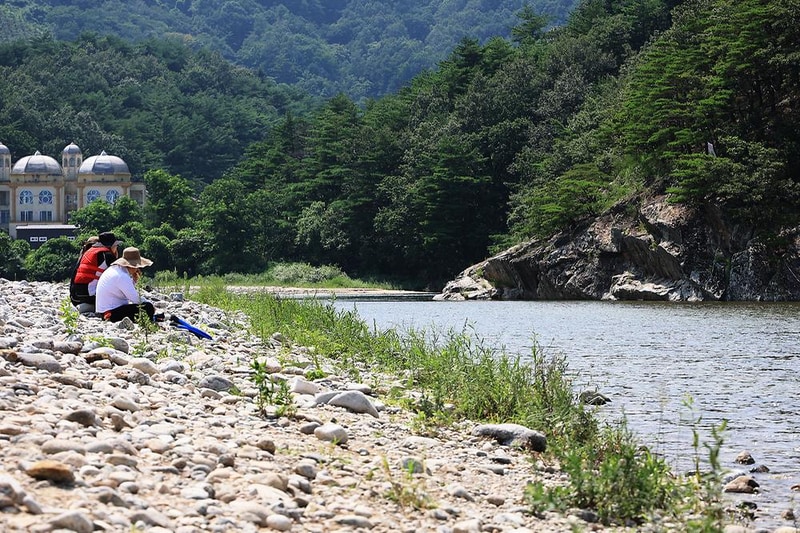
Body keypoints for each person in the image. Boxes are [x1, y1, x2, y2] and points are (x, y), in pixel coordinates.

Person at [95, 247, 157, 322]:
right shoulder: (122, 276)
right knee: (148, 307)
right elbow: (136, 299)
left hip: (106, 311)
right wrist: (150, 304)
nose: (138, 269)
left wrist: (134, 281)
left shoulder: (116, 270)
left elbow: (126, 291)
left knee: (144, 307)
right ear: (133, 266)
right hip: (111, 313)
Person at [69, 232, 122, 312]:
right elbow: (118, 276)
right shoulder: (107, 254)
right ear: (111, 245)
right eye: (116, 245)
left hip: (75, 296)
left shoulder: (88, 251)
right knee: (118, 302)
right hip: (89, 295)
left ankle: (84, 306)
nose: (116, 248)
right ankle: (88, 307)